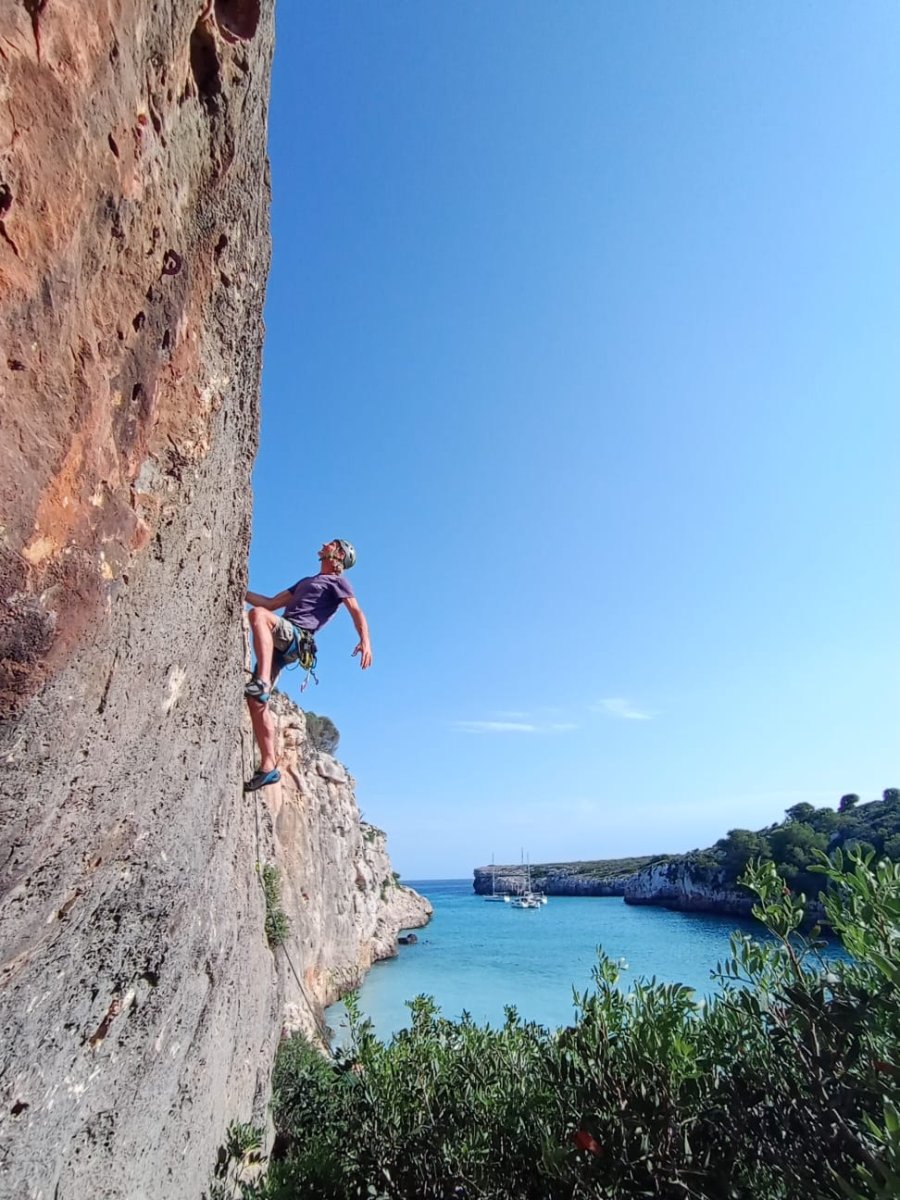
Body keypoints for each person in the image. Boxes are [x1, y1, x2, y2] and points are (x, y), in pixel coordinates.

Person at [242, 538, 372, 791]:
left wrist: (365, 640)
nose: (325, 544)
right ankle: (269, 766)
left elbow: (356, 612)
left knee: (258, 616)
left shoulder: (337, 582)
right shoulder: (305, 582)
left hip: (297, 637)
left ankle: (262, 682)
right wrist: (238, 588)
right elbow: (270, 603)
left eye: (332, 544)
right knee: (256, 702)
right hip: (282, 638)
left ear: (339, 556)